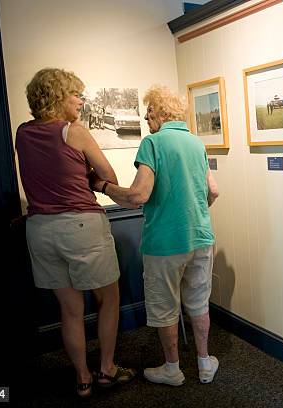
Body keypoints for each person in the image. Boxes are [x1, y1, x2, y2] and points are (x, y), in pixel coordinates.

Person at [15, 68, 136, 398]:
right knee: (108, 298)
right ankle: (106, 370)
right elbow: (107, 174)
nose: (81, 101)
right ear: (57, 96)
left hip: (40, 230)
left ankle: (82, 379)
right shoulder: (74, 131)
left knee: (69, 309)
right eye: (76, 95)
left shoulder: (23, 132)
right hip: (80, 225)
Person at [93, 85, 220, 386]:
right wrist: (195, 210)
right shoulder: (195, 143)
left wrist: (103, 187)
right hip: (201, 237)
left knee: (165, 307)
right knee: (199, 302)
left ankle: (172, 369)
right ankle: (204, 363)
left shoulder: (153, 143)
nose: (147, 117)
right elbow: (213, 191)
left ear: (162, 114)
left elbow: (138, 195)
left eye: (149, 111)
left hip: (165, 243)